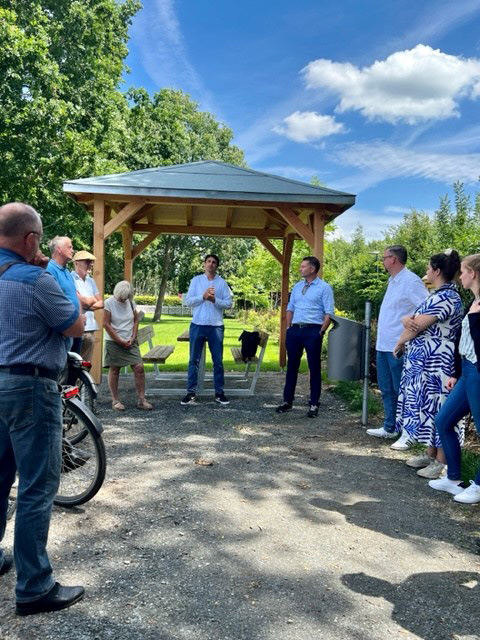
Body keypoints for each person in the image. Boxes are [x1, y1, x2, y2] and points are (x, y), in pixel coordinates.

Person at [0, 202, 85, 615]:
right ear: (31, 239)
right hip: (30, 386)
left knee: (0, 477)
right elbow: (75, 324)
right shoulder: (37, 280)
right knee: (37, 486)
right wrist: (66, 288)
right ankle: (34, 587)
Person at [391, 250, 463, 478]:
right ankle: (430, 453)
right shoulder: (438, 295)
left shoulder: (446, 297)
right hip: (426, 361)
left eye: (429, 267)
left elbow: (418, 324)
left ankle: (441, 462)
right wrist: (406, 319)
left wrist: (399, 341)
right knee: (427, 406)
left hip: (437, 362)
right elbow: (414, 320)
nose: (426, 271)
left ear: (437, 271)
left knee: (438, 405)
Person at [428, 254, 480, 504]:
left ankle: (478, 486)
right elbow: (465, 341)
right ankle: (453, 478)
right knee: (443, 421)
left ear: (474, 274)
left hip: (478, 373)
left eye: (463, 272)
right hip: (467, 371)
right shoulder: (473, 302)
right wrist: (456, 373)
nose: (460, 277)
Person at [366, 245, 427, 439]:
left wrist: (409, 324)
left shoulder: (411, 281)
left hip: (399, 344)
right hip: (384, 343)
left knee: (401, 389)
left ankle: (407, 431)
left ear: (393, 259)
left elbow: (427, 308)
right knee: (386, 388)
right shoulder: (392, 281)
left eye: (384, 257)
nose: (382, 261)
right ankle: (390, 427)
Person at [276, 256, 334, 418]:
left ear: (312, 269)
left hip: (313, 330)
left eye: (303, 266)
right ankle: (287, 400)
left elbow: (329, 313)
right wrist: (289, 328)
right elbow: (290, 308)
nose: (300, 269)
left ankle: (314, 403)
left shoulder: (324, 288)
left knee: (314, 367)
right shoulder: (297, 286)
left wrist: (321, 332)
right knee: (292, 366)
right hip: (295, 330)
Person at [181, 254, 232, 406]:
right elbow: (188, 301)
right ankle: (191, 392)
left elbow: (229, 304)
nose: (211, 264)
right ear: (204, 264)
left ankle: (219, 393)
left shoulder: (222, 283)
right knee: (193, 360)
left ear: (217, 266)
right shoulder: (196, 280)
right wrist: (203, 297)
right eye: (208, 261)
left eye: (214, 262)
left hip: (216, 326)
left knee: (218, 361)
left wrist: (214, 300)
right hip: (198, 324)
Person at [103, 280, 153, 411]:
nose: (124, 299)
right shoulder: (108, 303)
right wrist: (119, 340)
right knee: (115, 369)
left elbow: (136, 320)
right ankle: (115, 400)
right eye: (122, 297)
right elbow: (106, 324)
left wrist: (133, 336)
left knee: (139, 367)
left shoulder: (131, 303)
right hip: (114, 342)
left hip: (130, 341)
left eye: (126, 297)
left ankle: (141, 399)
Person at [46, 236, 82, 353]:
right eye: (69, 247)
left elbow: (75, 295)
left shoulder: (67, 272)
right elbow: (52, 301)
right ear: (59, 249)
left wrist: (80, 316)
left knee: (74, 362)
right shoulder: (49, 270)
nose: (73, 250)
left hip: (73, 326)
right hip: (61, 330)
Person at [71, 250, 103, 363]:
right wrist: (91, 300)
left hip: (90, 329)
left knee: (86, 364)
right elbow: (80, 301)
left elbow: (101, 303)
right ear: (76, 262)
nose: (91, 264)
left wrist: (86, 304)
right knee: (72, 363)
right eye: (87, 261)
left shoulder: (91, 281)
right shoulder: (70, 278)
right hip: (75, 328)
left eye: (92, 262)